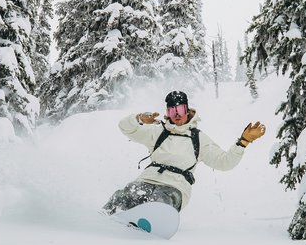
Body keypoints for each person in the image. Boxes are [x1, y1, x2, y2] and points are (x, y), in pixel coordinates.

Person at [103, 90, 265, 215]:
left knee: (159, 201)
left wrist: (243, 142)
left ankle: (154, 218)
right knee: (126, 195)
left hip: (175, 186)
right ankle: (107, 218)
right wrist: (138, 118)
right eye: (173, 111)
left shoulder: (198, 138)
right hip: (147, 179)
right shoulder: (157, 132)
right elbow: (125, 127)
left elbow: (224, 162)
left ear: (187, 110)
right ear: (167, 113)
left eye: (180, 109)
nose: (177, 114)